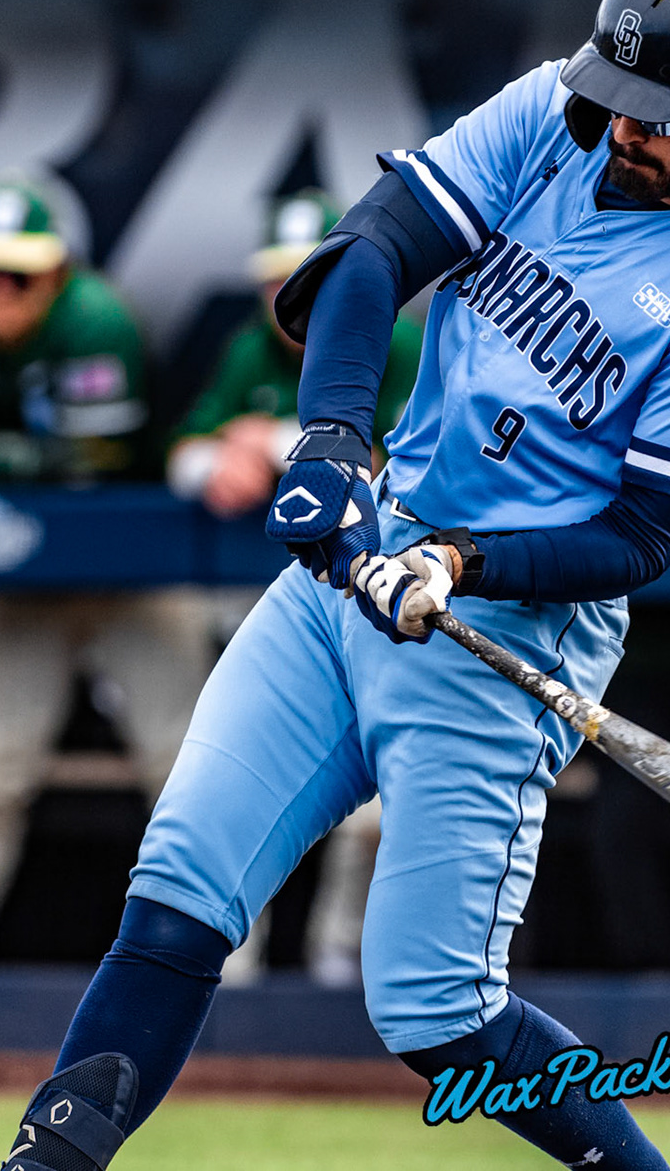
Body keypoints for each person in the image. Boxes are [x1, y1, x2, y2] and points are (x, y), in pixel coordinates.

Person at [0, 0, 670, 1171]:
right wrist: (333, 441)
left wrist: (461, 567)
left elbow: (641, 537)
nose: (623, 130)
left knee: (435, 1014)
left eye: (662, 119)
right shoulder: (559, 111)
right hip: (346, 580)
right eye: (618, 97)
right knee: (178, 883)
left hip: (501, 639)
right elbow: (372, 248)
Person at [0, 176, 210, 978]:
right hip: (20, 579)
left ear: (59, 272)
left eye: (19, 275)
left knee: (191, 783)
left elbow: (93, 461)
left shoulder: (97, 318)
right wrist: (16, 460)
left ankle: (224, 987)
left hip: (134, 574)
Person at [166, 189, 422, 987]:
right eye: (280, 281)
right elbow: (184, 456)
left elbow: (406, 469)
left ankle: (342, 969)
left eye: (308, 278)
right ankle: (226, 979)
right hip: (282, 616)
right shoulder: (252, 350)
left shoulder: (406, 345)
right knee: (231, 795)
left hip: (389, 607)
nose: (290, 301)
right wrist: (221, 459)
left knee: (378, 818)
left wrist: (274, 442)